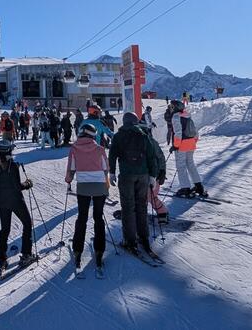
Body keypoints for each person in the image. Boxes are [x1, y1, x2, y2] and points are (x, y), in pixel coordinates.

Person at [109, 113, 161, 256]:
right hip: (143, 175)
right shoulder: (143, 135)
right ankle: (144, 237)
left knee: (128, 208)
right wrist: (153, 175)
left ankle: (130, 241)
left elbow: (112, 154)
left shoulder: (118, 136)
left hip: (127, 175)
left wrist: (112, 172)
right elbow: (151, 156)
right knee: (141, 206)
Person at [65, 123, 109, 274]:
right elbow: (105, 168)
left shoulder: (74, 149)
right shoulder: (100, 149)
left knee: (82, 217)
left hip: (83, 186)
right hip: (99, 187)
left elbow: (71, 168)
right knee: (98, 216)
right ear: (93, 134)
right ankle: (99, 249)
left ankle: (78, 249)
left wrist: (69, 180)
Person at [0, 139, 36, 275]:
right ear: (8, 150)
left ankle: (2, 259)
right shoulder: (13, 166)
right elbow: (17, 187)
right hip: (15, 200)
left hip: (1, 200)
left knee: (5, 229)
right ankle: (26, 254)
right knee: (27, 223)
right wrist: (27, 184)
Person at [172, 103, 206, 198]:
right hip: (191, 143)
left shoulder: (176, 117)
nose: (171, 108)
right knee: (190, 164)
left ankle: (185, 188)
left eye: (172, 106)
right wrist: (193, 141)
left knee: (181, 166)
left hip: (182, 144)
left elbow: (178, 132)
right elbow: (195, 132)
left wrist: (176, 145)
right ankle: (199, 186)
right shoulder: (187, 116)